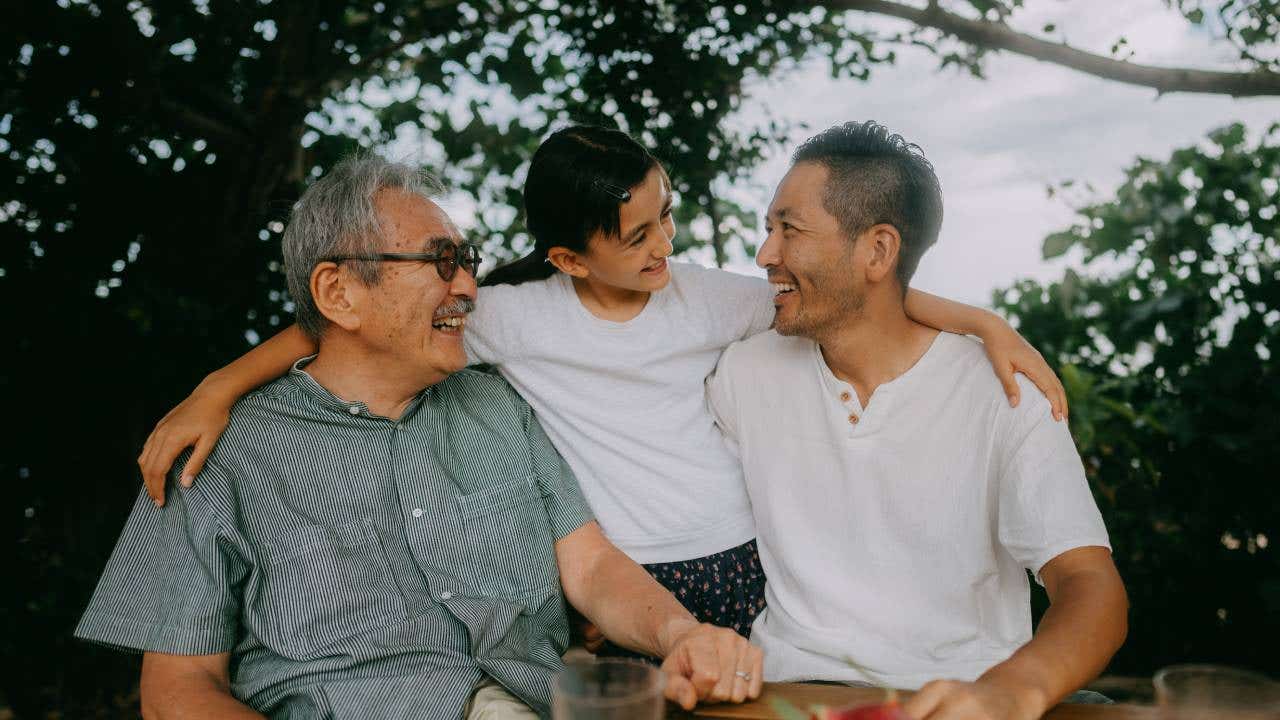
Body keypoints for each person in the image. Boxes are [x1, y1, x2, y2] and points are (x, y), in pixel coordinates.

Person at [135, 125, 1067, 655]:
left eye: (667, 217)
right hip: (624, 578)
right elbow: (335, 321)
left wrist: (984, 322)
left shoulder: (705, 297)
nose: (664, 245)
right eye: (637, 236)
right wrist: (219, 386)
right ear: (569, 257)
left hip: (742, 562)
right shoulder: (505, 317)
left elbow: (847, 293)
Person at [76, 156, 764, 719]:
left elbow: (591, 568)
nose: (469, 286)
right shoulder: (222, 454)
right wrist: (216, 387)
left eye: (466, 259)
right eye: (441, 262)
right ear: (340, 294)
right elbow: (176, 693)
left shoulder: (500, 404)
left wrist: (680, 631)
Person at [706, 121, 1128, 719]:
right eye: (768, 228)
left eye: (789, 230)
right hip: (786, 696)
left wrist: (1014, 691)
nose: (764, 254)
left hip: (959, 702)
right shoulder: (743, 372)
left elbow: (1090, 584)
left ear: (877, 250)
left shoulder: (1001, 392)